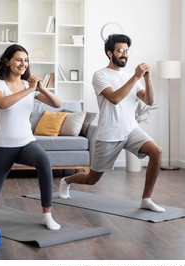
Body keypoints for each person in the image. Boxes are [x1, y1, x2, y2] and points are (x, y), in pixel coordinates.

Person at [59, 34, 165, 212]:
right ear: (110, 53)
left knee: (156, 152)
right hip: (109, 133)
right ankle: (66, 181)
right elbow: (115, 98)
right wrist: (135, 77)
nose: (124, 54)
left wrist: (147, 78)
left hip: (131, 130)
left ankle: (146, 199)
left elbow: (149, 101)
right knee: (92, 179)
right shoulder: (100, 75)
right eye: (120, 50)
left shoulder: (129, 77)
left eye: (126, 51)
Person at [0, 44, 62, 230]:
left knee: (44, 161)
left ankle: (46, 214)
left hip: (26, 143)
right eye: (18, 59)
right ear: (7, 61)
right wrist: (30, 89)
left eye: (26, 60)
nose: (23, 64)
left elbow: (57, 103)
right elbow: (2, 103)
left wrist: (41, 88)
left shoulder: (28, 85)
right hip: (2, 147)